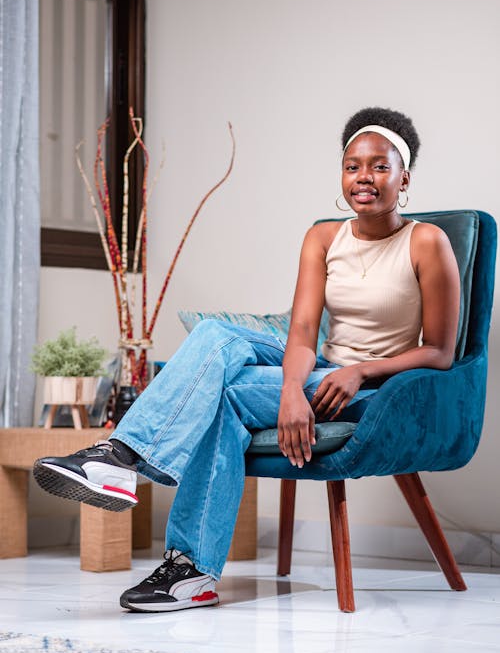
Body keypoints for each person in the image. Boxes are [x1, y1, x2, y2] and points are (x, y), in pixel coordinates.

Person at [33, 106, 460, 613]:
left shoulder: (427, 242)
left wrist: (360, 370)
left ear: (404, 177)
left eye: (379, 166)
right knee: (217, 336)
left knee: (226, 399)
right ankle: (121, 458)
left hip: (375, 389)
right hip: (316, 371)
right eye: (352, 166)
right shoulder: (323, 238)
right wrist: (289, 392)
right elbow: (301, 333)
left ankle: (187, 565)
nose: (364, 177)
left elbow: (440, 350)